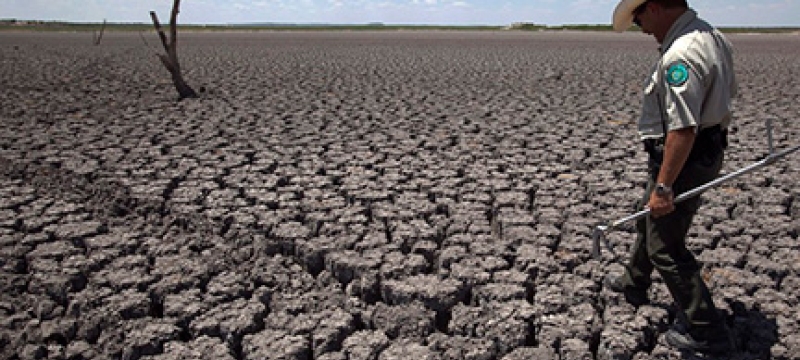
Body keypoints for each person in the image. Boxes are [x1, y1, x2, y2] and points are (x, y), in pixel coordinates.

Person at [606, 0, 737, 354]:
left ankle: (708, 331)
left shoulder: (682, 54)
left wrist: (664, 186)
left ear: (658, 7)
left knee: (665, 245)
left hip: (684, 159)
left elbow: (683, 128)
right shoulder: (711, 34)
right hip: (696, 152)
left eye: (640, 16)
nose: (641, 26)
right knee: (647, 215)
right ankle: (634, 282)